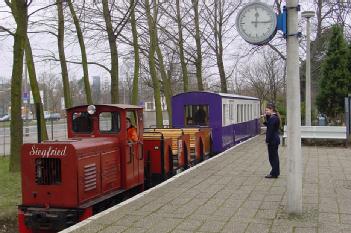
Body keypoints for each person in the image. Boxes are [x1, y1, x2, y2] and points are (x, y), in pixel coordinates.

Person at [263, 103, 280, 178]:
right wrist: (266, 117)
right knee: (274, 157)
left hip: (273, 140)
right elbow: (268, 124)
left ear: (271, 110)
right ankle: (275, 172)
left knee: (273, 157)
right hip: (274, 140)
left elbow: (270, 130)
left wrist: (267, 140)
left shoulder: (273, 118)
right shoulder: (274, 117)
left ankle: (274, 173)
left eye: (267, 110)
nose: (266, 111)